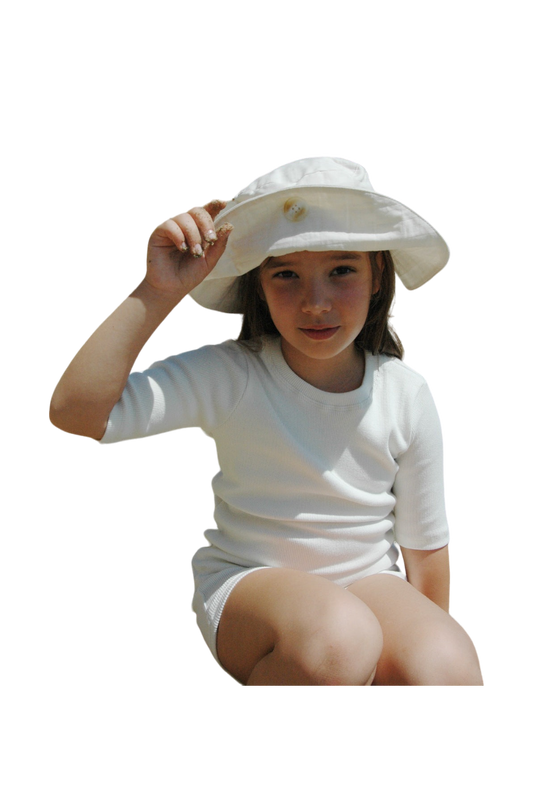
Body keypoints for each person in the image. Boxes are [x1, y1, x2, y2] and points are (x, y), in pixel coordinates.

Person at [47, 154, 486, 688]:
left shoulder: (407, 390)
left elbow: (427, 547)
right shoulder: (231, 373)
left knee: (448, 663)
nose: (315, 302)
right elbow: (74, 413)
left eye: (341, 269)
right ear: (258, 285)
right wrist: (159, 291)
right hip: (251, 587)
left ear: (377, 275)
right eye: (286, 275)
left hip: (370, 584)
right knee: (338, 640)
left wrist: (424, 651)